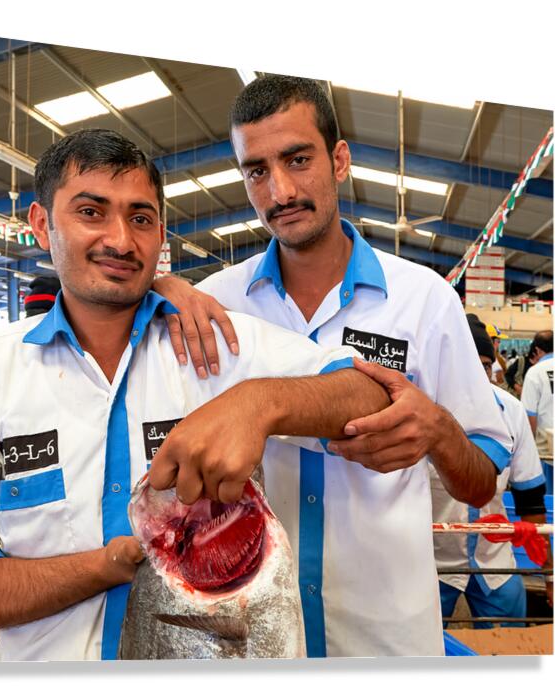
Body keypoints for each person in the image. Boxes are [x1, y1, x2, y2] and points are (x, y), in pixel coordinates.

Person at [0, 129, 395, 661]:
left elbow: (373, 395)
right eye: (91, 213)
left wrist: (258, 403)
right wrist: (107, 566)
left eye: (140, 218)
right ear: (43, 224)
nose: (120, 240)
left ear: (161, 233)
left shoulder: (219, 344)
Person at [149, 75, 511, 657]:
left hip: (388, 641)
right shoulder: (218, 304)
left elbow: (480, 482)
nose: (281, 190)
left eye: (298, 159)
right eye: (257, 171)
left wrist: (438, 430)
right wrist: (156, 287)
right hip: (258, 638)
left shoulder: (424, 300)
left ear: (339, 159)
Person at [435, 316, 551, 628]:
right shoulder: (421, 409)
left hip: (494, 560)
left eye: (485, 367)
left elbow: (530, 498)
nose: (477, 377)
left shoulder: (509, 410)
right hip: (430, 561)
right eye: (468, 365)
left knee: (509, 646)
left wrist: (548, 571)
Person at [521, 330, 553, 453]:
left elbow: (530, 415)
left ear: (538, 350)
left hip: (546, 450)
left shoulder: (535, 372)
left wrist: (528, 446)